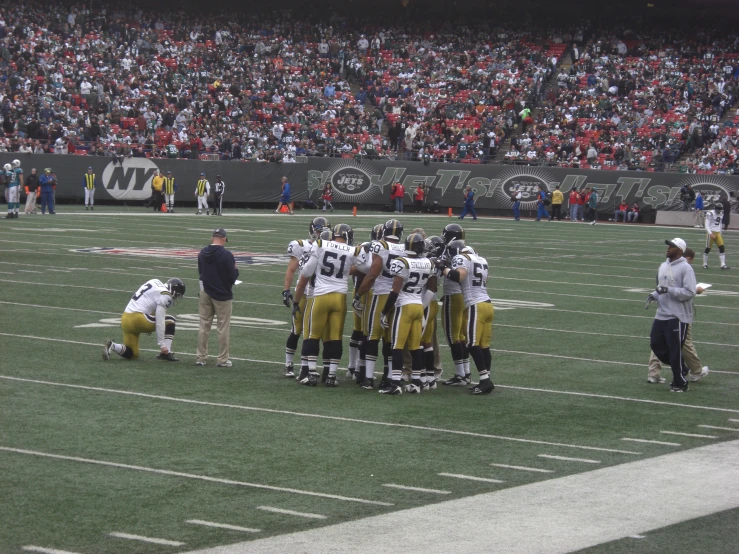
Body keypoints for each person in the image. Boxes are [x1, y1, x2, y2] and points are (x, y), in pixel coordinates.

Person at [293, 224, 370, 386]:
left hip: (320, 295)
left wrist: (296, 300)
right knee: (335, 337)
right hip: (339, 297)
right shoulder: (352, 250)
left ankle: (312, 373)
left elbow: (306, 272)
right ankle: (331, 376)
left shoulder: (320, 243)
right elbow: (367, 268)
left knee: (313, 335)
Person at [377, 232, 434, 395]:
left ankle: (395, 384)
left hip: (404, 306)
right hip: (418, 306)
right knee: (416, 347)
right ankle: (416, 383)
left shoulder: (401, 262)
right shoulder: (428, 262)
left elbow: (395, 291)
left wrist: (384, 311)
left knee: (397, 346)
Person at [354, 219, 407, 389]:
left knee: (372, 336)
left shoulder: (380, 245)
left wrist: (359, 294)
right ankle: (390, 376)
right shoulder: (406, 247)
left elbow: (372, 274)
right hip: (399, 297)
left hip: (382, 294)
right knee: (390, 340)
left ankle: (368, 378)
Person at [439, 242, 495, 394]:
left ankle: (484, 380)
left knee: (471, 344)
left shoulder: (462, 258)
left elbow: (459, 276)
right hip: (488, 304)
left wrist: (443, 268)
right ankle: (487, 379)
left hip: (474, 305)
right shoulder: (482, 260)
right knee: (484, 346)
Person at [647, 248, 709, 384]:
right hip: (678, 313)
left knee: (659, 343)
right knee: (684, 343)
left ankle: (653, 373)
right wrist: (696, 290)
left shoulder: (665, 267)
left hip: (663, 311)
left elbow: (662, 286)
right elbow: (686, 291)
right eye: (689, 260)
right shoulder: (681, 268)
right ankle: (695, 371)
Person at [282, 216, 330, 378]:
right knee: (297, 329)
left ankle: (314, 367)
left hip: (320, 294)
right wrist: (286, 290)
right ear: (312, 230)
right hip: (304, 293)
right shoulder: (301, 245)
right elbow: (291, 269)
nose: (319, 233)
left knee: (317, 333)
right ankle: (289, 363)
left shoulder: (328, 246)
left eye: (322, 230)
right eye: (318, 229)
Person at [103, 278, 185, 362]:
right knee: (171, 320)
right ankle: (166, 353)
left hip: (125, 319)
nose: (175, 298)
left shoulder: (155, 281)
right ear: (173, 290)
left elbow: (149, 301)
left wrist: (149, 319)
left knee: (133, 354)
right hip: (138, 319)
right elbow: (160, 321)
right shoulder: (166, 295)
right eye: (177, 295)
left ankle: (112, 345)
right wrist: (162, 345)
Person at [195, 229, 239, 367]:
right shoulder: (227, 255)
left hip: (205, 292)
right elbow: (233, 276)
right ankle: (222, 359)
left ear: (211, 238)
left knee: (204, 325)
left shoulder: (202, 253)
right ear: (224, 239)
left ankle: (201, 357)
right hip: (222, 294)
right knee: (223, 327)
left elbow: (200, 272)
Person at [703, 203, 729, 270]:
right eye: (719, 210)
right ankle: (705, 264)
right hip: (711, 232)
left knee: (722, 247)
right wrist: (710, 233)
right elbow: (707, 225)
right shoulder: (710, 213)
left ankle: (723, 264)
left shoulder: (720, 213)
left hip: (717, 233)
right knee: (708, 248)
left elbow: (719, 224)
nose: (720, 211)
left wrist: (720, 232)